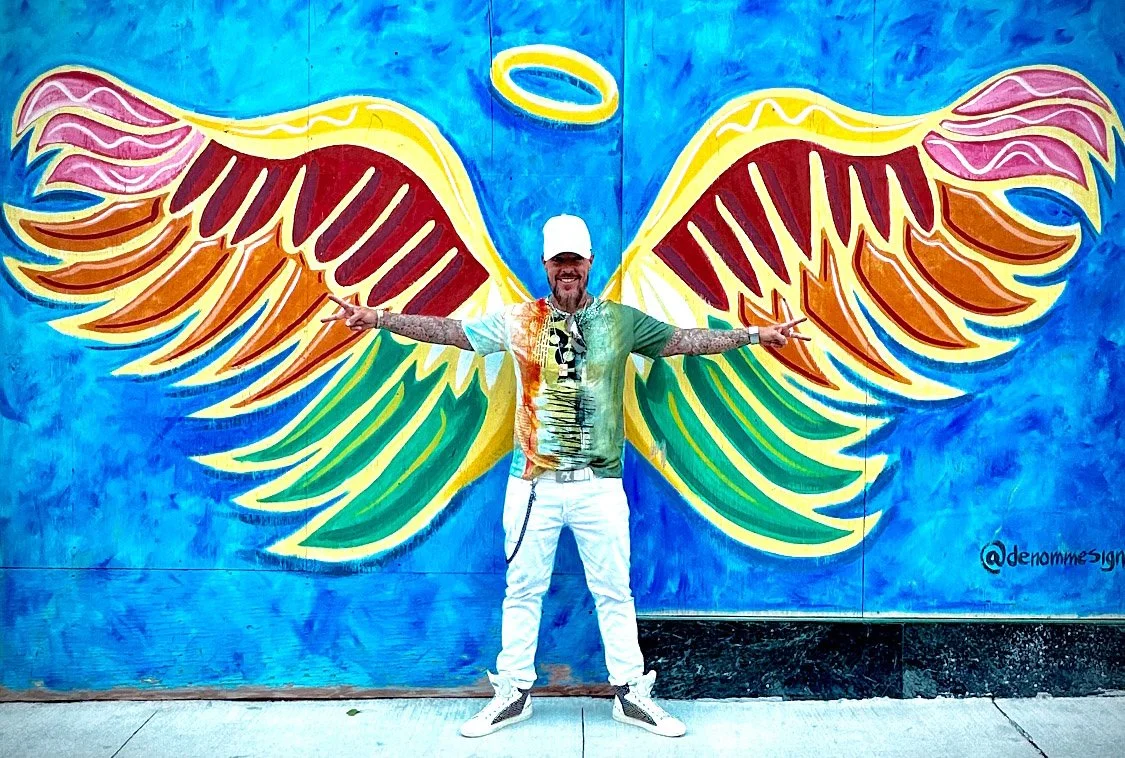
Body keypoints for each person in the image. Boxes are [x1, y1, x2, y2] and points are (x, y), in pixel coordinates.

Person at [323, 214, 808, 738]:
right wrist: (378, 319)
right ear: (546, 266)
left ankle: (629, 694)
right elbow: (454, 332)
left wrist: (759, 334)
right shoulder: (519, 321)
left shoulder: (620, 322)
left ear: (590, 263)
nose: (568, 270)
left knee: (614, 591)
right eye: (559, 262)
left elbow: (683, 341)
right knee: (522, 589)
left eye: (576, 261)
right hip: (533, 485)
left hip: (599, 485)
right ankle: (512, 692)